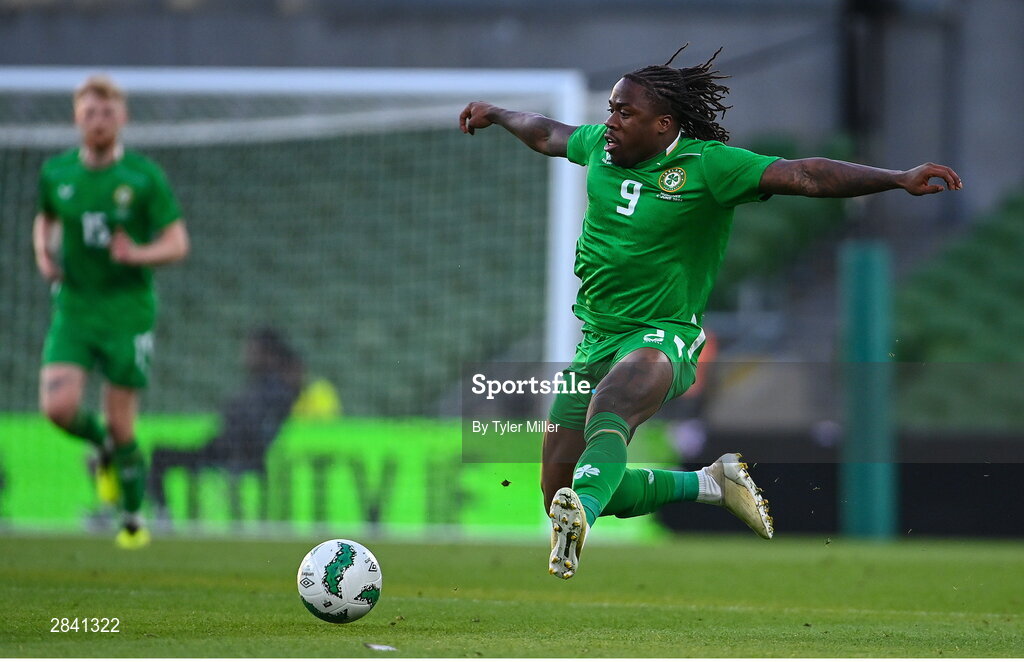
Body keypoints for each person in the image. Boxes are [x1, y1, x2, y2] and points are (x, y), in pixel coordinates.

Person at [459, 46, 961, 579]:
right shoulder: (599, 149)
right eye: (611, 108)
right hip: (595, 337)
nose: (610, 121)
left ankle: (585, 504)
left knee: (612, 403)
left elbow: (806, 175)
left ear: (663, 125)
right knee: (556, 489)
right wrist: (496, 113)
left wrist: (896, 177)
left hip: (662, 335)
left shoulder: (708, 166)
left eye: (624, 112)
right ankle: (707, 485)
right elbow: (545, 133)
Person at [33, 74, 190, 549]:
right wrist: (43, 252)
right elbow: (46, 217)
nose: (98, 121)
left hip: (127, 310)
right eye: (89, 113)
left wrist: (137, 254)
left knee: (123, 422)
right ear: (76, 118)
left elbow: (177, 243)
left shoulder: (143, 178)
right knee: (58, 408)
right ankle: (101, 447)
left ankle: (131, 517)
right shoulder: (56, 174)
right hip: (76, 308)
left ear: (123, 118)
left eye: (107, 112)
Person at [148, 327, 304, 523]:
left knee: (160, 456)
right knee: (161, 454)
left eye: (251, 349)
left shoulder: (273, 389)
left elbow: (249, 428)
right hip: (226, 450)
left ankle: (161, 514)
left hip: (232, 455)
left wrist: (229, 421)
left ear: (266, 353)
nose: (246, 354)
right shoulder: (265, 385)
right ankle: (160, 512)